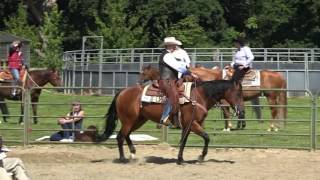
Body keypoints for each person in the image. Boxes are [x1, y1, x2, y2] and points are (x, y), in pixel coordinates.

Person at [158, 37, 190, 125]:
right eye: (174, 45)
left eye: (175, 45)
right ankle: (164, 117)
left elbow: (181, 65)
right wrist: (190, 73)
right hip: (166, 80)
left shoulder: (169, 55)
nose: (175, 47)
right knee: (173, 95)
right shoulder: (167, 55)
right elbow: (178, 67)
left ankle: (176, 118)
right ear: (169, 46)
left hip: (171, 80)